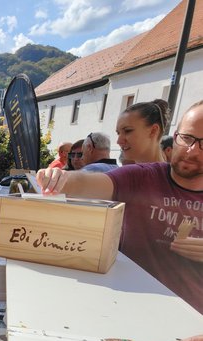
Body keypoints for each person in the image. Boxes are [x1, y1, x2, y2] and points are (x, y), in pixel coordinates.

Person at [37, 100, 203, 314]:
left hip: (192, 328)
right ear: (176, 134)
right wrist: (60, 178)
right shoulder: (142, 177)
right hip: (123, 311)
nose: (191, 151)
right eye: (186, 138)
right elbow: (89, 183)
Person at [116, 99, 170, 164]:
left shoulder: (174, 173)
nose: (119, 141)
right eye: (118, 133)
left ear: (153, 130)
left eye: (128, 131)